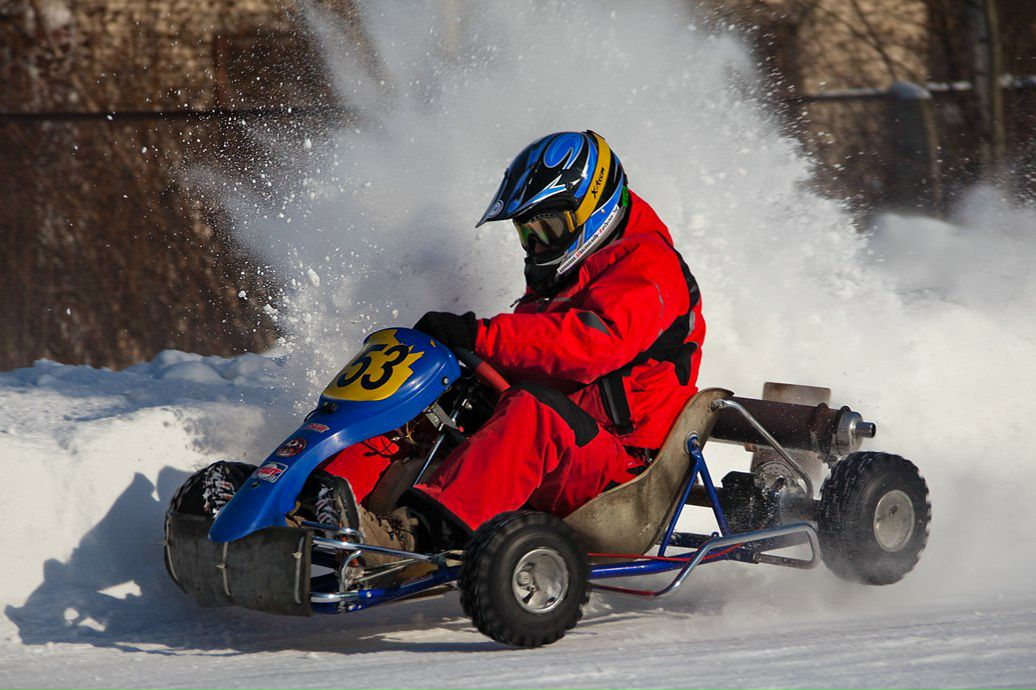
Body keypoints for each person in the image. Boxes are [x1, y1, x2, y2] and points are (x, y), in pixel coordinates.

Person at [323, 130, 705, 553]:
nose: (538, 242)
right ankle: (319, 494)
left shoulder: (649, 266)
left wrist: (480, 334)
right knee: (434, 394)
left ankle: (415, 535)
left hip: (621, 476)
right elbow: (530, 357)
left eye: (549, 225)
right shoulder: (573, 270)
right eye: (528, 231)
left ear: (594, 207)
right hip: (567, 446)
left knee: (533, 410)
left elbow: (588, 347)